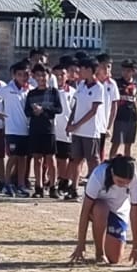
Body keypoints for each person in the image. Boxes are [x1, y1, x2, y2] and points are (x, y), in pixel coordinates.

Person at [70, 154, 137, 267]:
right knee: (101, 209)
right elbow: (85, 211)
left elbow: (135, 213)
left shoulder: (136, 180)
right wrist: (81, 244)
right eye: (120, 181)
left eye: (126, 183)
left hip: (118, 211)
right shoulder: (99, 174)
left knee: (114, 258)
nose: (123, 185)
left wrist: (136, 247)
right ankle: (100, 253)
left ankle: (108, 237)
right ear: (112, 173)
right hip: (96, 209)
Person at [0, 59, 34, 197]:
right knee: (13, 157)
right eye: (20, 74)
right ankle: (7, 183)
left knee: (23, 158)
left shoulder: (31, 90)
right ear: (14, 75)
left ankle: (21, 184)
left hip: (26, 129)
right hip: (12, 130)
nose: (23, 77)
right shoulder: (7, 89)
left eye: (26, 74)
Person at [65, 54, 105, 196]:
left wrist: (77, 124)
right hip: (77, 131)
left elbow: (93, 111)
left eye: (81, 68)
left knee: (93, 161)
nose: (79, 71)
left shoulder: (98, 88)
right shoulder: (81, 85)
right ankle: (74, 188)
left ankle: (97, 189)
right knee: (75, 159)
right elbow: (76, 106)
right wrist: (70, 123)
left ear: (89, 69)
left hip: (90, 131)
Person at [26, 64, 63, 198]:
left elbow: (59, 109)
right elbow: (27, 111)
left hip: (48, 129)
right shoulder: (31, 93)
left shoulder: (54, 92)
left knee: (50, 159)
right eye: (38, 75)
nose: (41, 78)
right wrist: (34, 111)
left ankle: (53, 186)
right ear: (34, 77)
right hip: (35, 129)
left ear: (49, 76)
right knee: (37, 159)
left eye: (44, 75)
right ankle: (38, 187)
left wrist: (44, 110)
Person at [52, 59, 78, 199]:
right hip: (52, 130)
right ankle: (55, 180)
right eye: (56, 75)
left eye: (62, 74)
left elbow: (75, 110)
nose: (59, 77)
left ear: (67, 76)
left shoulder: (73, 92)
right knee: (54, 158)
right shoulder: (50, 92)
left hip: (66, 130)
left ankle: (64, 180)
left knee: (66, 158)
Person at [109, 59, 137, 157]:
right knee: (116, 142)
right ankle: (111, 161)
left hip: (132, 117)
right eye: (124, 70)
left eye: (128, 71)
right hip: (120, 116)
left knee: (128, 144)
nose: (125, 73)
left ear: (134, 71)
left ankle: (127, 161)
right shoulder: (117, 83)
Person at [92, 55, 117, 162]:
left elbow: (114, 107)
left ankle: (98, 170)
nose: (106, 70)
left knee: (100, 151)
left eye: (109, 67)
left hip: (102, 124)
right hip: (90, 124)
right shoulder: (91, 82)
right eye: (103, 66)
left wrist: (109, 126)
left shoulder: (112, 84)